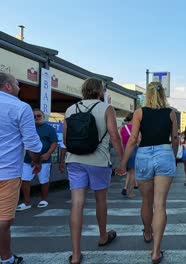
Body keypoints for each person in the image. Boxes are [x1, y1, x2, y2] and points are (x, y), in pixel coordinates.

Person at [63, 78, 124, 264]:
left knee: (77, 204)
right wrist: (122, 160)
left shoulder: (70, 109)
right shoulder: (106, 108)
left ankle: (75, 254)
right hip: (98, 160)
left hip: (74, 160)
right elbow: (114, 136)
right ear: (100, 91)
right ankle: (103, 236)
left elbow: (66, 140)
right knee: (100, 200)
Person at [116, 81, 178, 264]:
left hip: (143, 155)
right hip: (164, 152)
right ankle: (156, 252)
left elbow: (133, 139)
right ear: (162, 95)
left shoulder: (139, 112)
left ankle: (148, 233)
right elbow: (175, 138)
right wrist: (172, 156)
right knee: (160, 205)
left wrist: (123, 163)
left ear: (147, 95)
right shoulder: (171, 113)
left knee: (146, 201)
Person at [0, 73, 42, 264]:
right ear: (7, 86)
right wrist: (36, 160)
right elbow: (32, 143)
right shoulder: (20, 107)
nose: (19, 87)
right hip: (7, 171)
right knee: (4, 219)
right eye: (17, 84)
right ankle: (6, 258)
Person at [16, 109, 58, 211]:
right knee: (25, 180)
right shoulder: (27, 128)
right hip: (28, 160)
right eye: (34, 116)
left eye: (38, 116)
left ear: (43, 116)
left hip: (44, 159)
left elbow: (54, 143)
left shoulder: (49, 129)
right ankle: (26, 202)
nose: (36, 118)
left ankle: (44, 200)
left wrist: (48, 153)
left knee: (44, 180)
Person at [120, 113, 137, 198]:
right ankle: (130, 192)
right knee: (133, 172)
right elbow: (138, 140)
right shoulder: (136, 128)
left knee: (129, 171)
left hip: (124, 151)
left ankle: (125, 187)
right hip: (133, 150)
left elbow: (120, 140)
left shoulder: (122, 128)